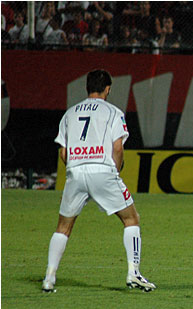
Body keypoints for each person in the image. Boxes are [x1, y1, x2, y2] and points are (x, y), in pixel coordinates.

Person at [42, 70, 155, 293]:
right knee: (131, 218)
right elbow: (117, 147)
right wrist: (115, 169)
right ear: (108, 89)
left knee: (63, 227)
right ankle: (133, 273)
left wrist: (76, 172)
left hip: (75, 171)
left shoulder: (70, 114)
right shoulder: (113, 112)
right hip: (103, 170)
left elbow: (63, 153)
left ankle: (48, 278)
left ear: (87, 88)